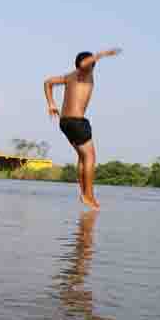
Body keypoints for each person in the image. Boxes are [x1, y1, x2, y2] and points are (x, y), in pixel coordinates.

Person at [44, 48, 122, 210]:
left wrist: (51, 104)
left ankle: (83, 194)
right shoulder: (85, 74)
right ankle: (89, 195)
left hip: (64, 122)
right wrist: (102, 55)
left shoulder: (69, 77)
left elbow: (48, 82)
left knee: (82, 156)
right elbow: (83, 63)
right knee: (90, 157)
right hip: (76, 122)